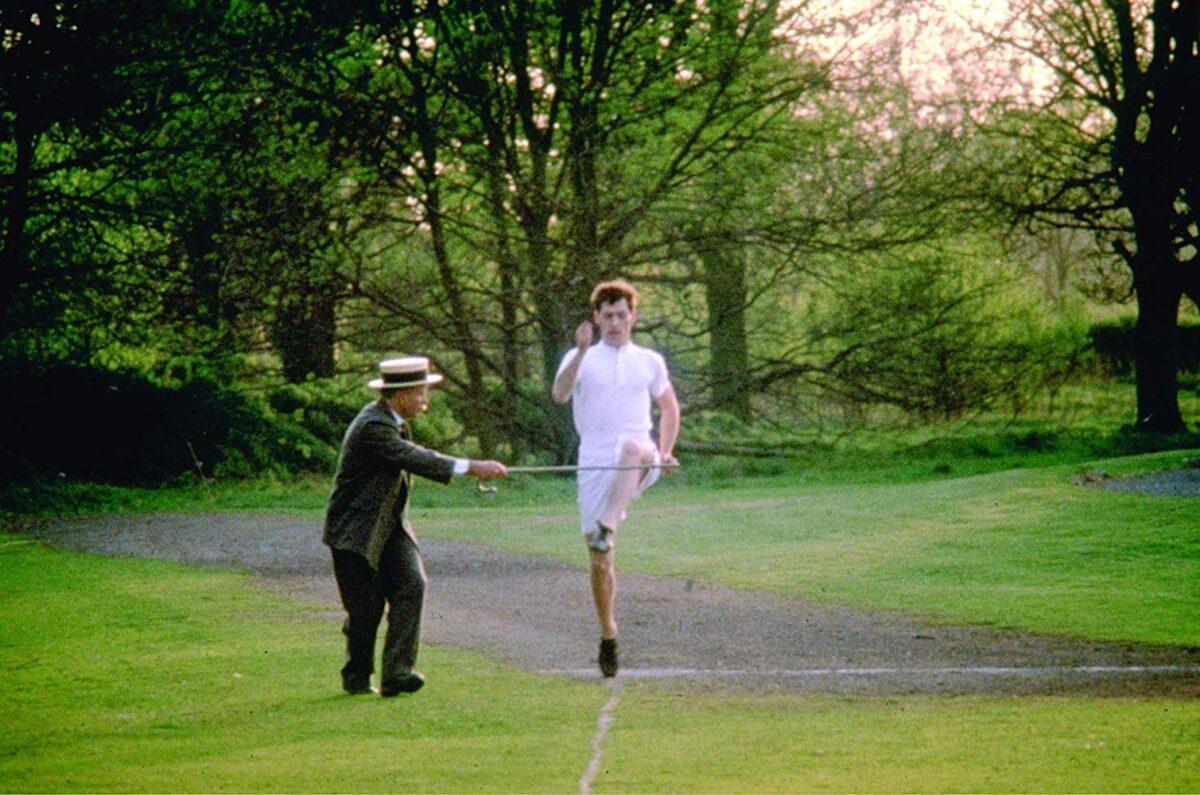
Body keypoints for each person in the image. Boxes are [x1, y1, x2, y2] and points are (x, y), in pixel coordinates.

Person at [323, 356, 507, 696]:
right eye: (421, 393)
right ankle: (357, 678)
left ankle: (398, 672)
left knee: (412, 584)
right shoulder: (373, 427)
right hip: (355, 531)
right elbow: (415, 458)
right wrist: (472, 467)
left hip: (390, 527)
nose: (426, 401)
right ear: (401, 394)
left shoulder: (392, 421)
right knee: (366, 612)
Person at [551, 280, 680, 677]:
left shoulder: (649, 360)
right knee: (599, 560)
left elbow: (669, 407)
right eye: (607, 316)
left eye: (622, 314)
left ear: (633, 317)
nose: (615, 322)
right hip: (594, 459)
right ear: (596, 319)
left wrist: (667, 449)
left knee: (635, 449)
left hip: (640, 455)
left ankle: (608, 523)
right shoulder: (580, 356)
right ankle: (608, 632)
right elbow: (559, 394)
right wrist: (581, 352)